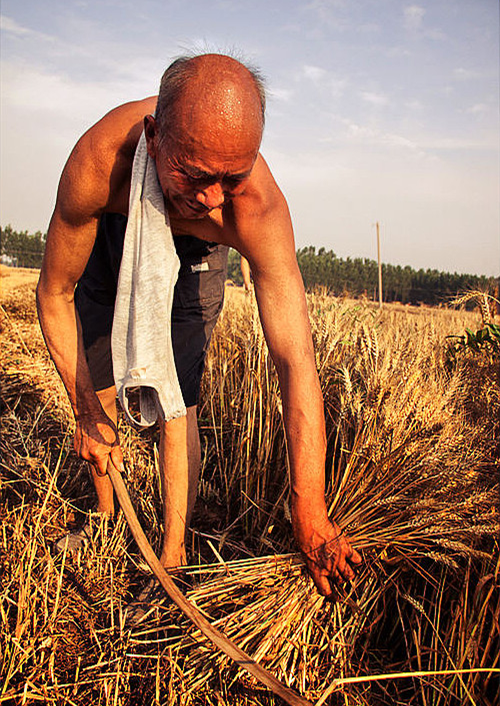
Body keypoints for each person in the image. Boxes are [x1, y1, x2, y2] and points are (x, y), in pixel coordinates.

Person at [37, 53, 361, 599]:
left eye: (230, 178)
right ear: (155, 136)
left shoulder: (252, 207)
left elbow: (293, 356)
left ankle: (173, 556)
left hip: (199, 256)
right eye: (195, 174)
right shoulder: (99, 162)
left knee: (179, 389)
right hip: (115, 229)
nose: (211, 196)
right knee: (98, 371)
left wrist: (311, 512)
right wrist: (85, 411)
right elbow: (54, 292)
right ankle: (105, 513)